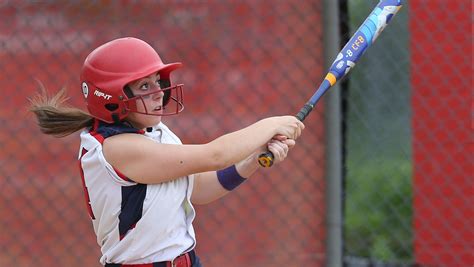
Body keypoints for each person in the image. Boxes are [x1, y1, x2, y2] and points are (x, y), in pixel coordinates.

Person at [29, 37, 304, 267]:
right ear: (112, 98)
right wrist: (272, 124)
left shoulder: (157, 133)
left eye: (157, 82)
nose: (159, 92)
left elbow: (198, 189)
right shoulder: (115, 148)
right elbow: (215, 155)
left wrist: (252, 160)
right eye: (144, 86)